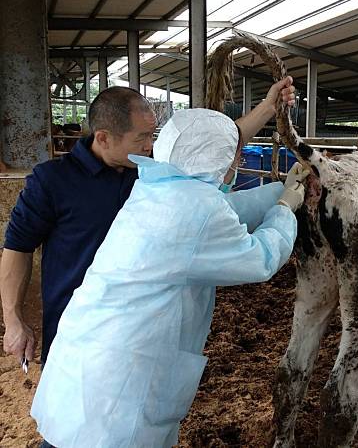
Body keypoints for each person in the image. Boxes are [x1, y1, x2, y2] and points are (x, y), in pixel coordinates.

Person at [30, 108, 309, 448]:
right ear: (218, 159)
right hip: (121, 391)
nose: (235, 163)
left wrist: (277, 191)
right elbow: (259, 258)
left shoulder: (157, 189)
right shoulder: (196, 209)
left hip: (87, 363)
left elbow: (224, 214)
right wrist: (285, 208)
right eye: (234, 154)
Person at [1, 78, 295, 374]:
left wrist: (268, 107)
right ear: (103, 138)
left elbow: (215, 143)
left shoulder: (152, 172)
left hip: (144, 333)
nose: (150, 145)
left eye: (153, 135)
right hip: (76, 327)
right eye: (141, 137)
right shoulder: (52, 180)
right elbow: (18, 247)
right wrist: (12, 319)